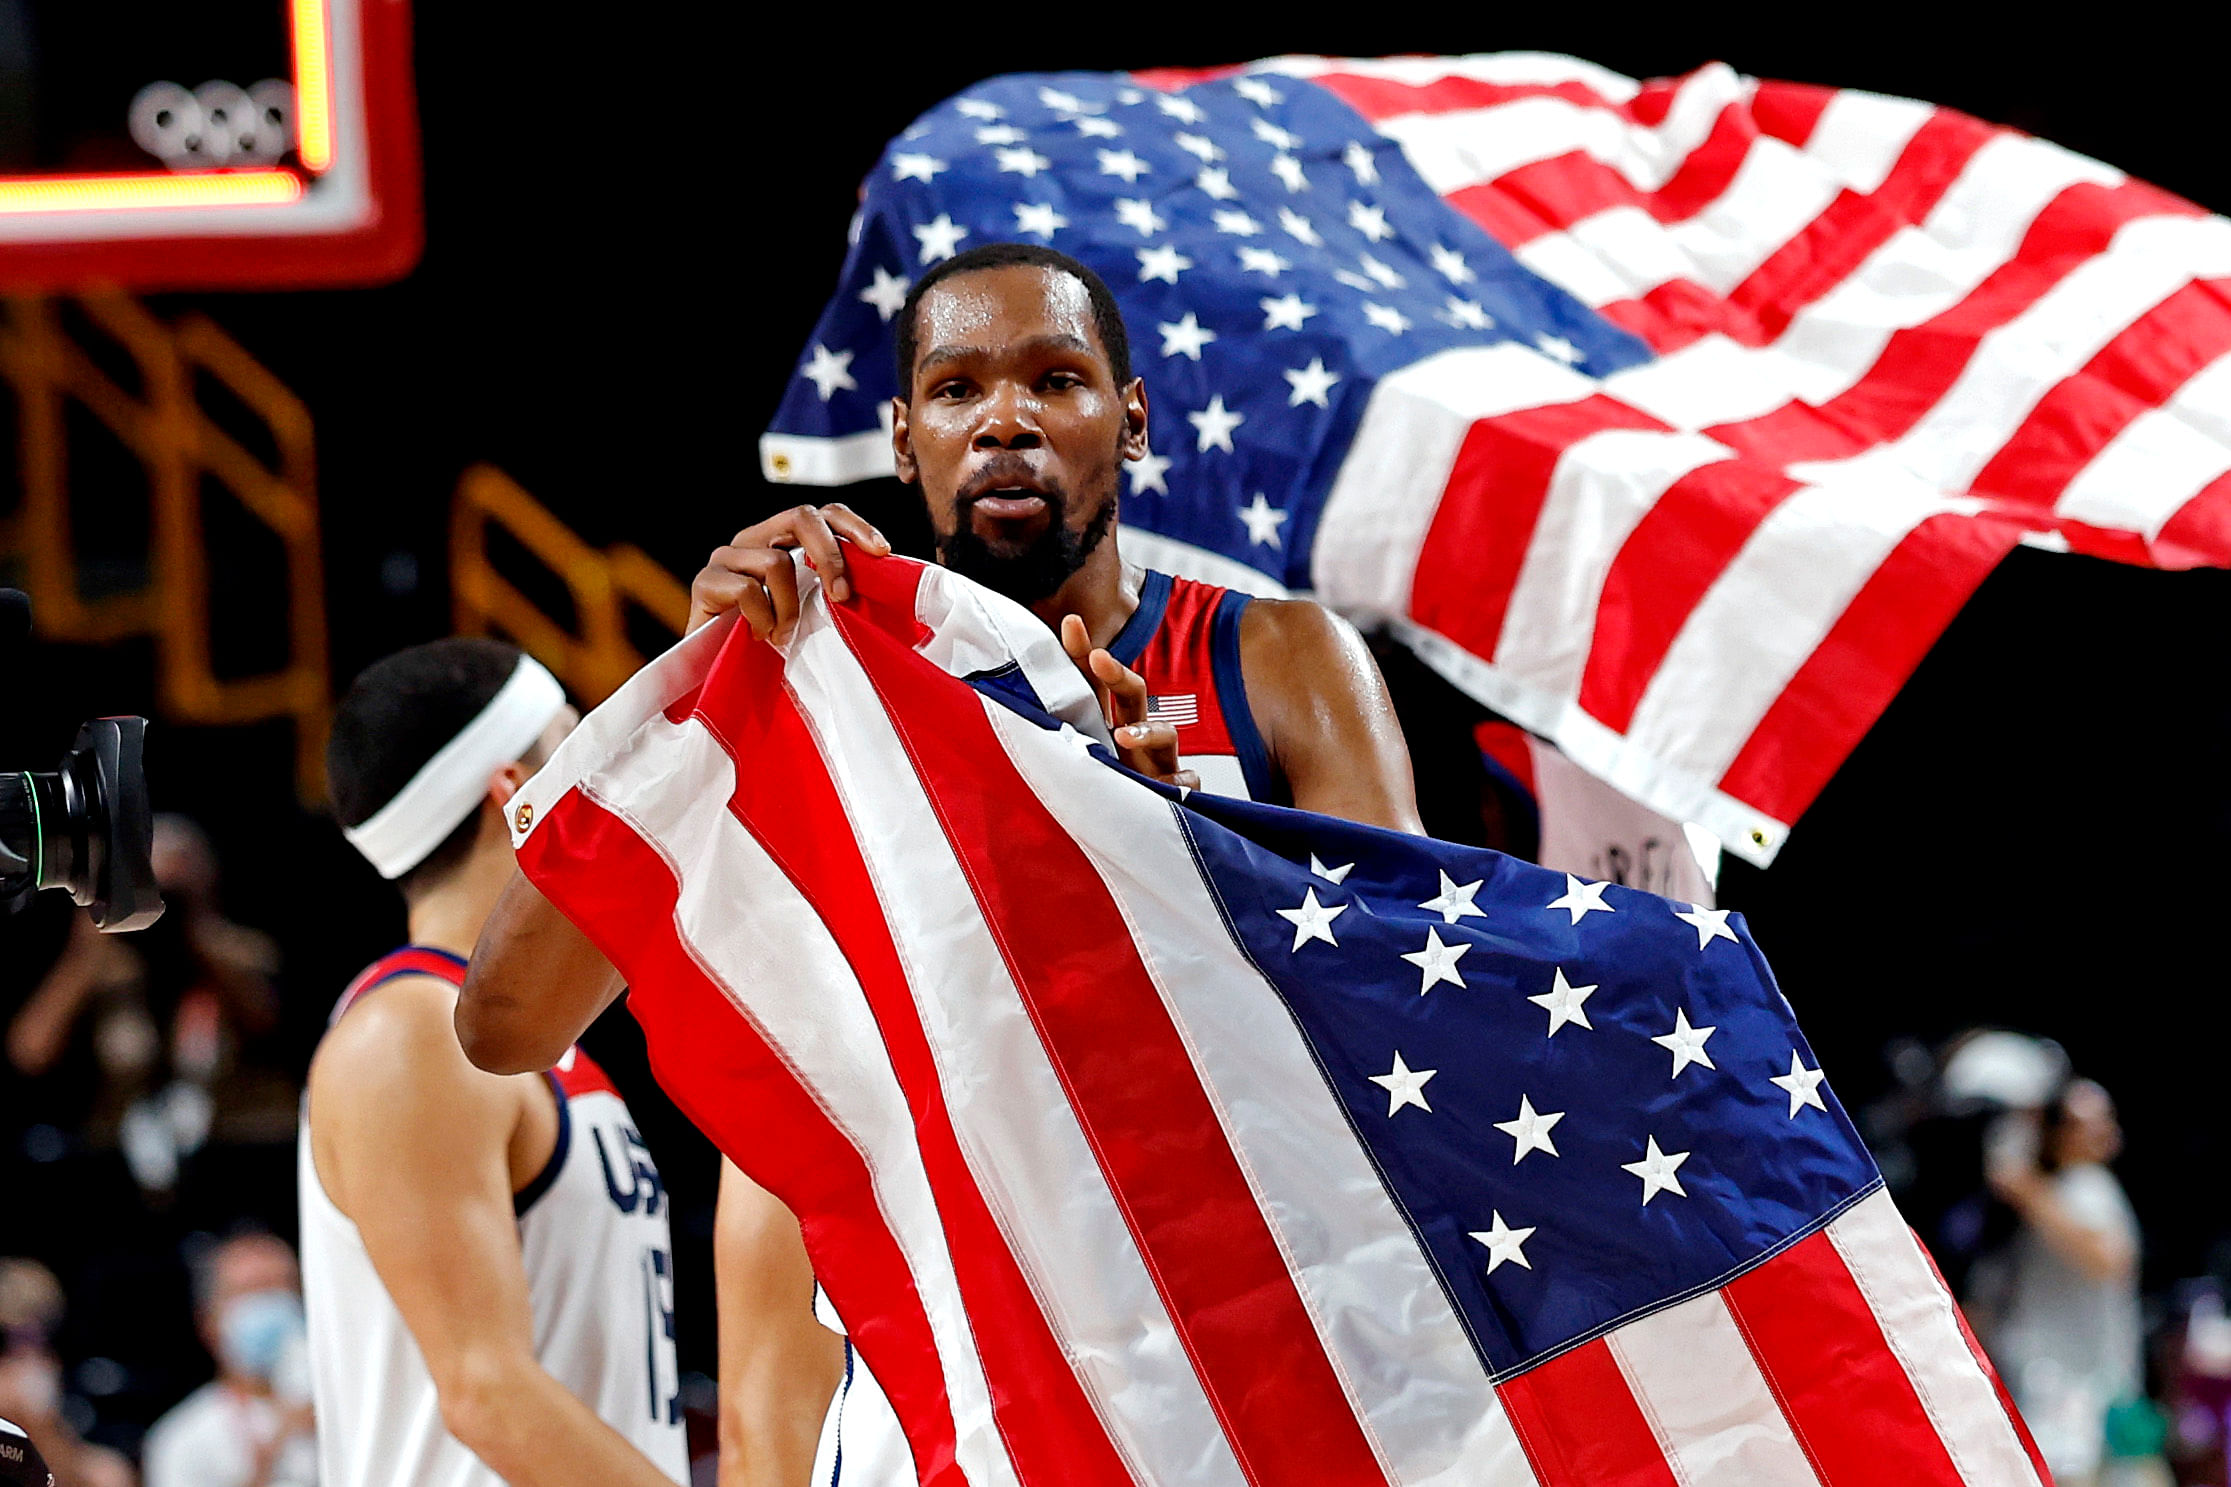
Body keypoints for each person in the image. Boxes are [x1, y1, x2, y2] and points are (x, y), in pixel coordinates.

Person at [453, 242, 1424, 1484]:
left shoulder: (1277, 659)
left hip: (1258, 1377)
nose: (1005, 422)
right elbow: (503, 1022)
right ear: (905, 439)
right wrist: (689, 689)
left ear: (1128, 420)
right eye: (958, 390)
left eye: (1055, 379)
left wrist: (1179, 862)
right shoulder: (811, 699)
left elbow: (1411, 1040)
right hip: (964, 1404)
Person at [303, 638, 687, 1487]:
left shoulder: (537, 1038)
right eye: (573, 741)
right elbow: (485, 1391)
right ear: (513, 789)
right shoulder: (407, 1034)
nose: (605, 777)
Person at [1973, 1076, 2143, 1487]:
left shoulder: (2084, 1189)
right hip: (2054, 1385)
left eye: (2106, 1118)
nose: (2103, 1130)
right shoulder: (2065, 1191)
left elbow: (2108, 1261)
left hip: (2095, 1383)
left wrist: (2024, 1187)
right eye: (2086, 1121)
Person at [141, 1232, 315, 1487]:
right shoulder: (183, 1439)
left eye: (280, 1288)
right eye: (250, 1292)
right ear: (208, 1322)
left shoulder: (346, 1409)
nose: (269, 1305)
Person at [0, 1259, 131, 1487]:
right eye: (13, 1337)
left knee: (110, 1473)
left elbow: (55, 1464)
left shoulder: (49, 1371)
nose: (26, 1350)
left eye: (38, 1334)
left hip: (57, 1465)